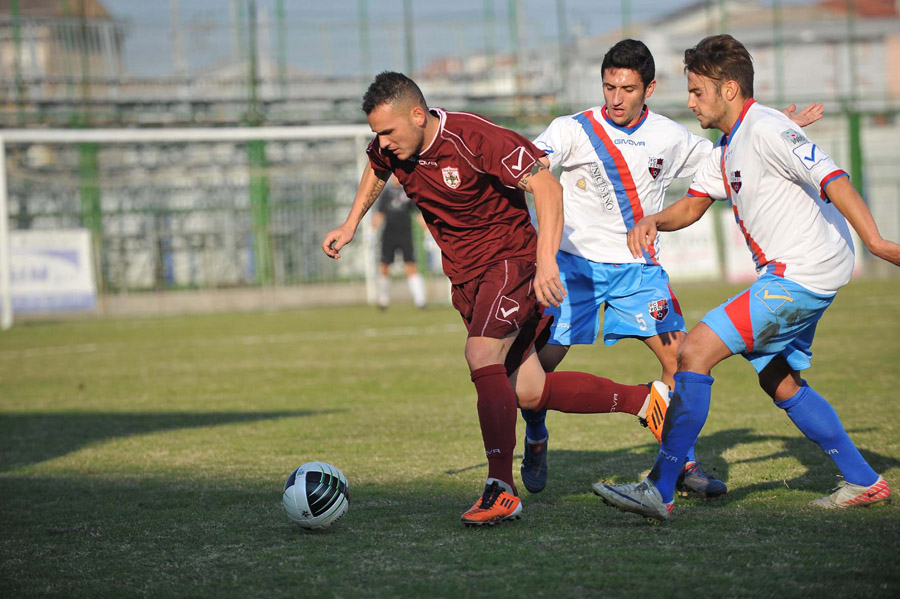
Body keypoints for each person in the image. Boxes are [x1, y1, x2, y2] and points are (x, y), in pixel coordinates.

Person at [322, 71, 666, 527]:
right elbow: (376, 169)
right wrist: (350, 224)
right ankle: (646, 402)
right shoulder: (390, 149)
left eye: (388, 132)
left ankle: (501, 489)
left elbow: (548, 186)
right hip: (467, 279)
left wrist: (545, 264)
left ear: (418, 115)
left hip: (510, 262)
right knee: (529, 389)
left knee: (480, 352)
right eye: (376, 134)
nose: (382, 143)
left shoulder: (474, 138)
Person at [593, 34, 899, 522]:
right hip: (804, 274)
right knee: (778, 379)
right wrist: (653, 220)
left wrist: (878, 242)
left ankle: (660, 489)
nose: (690, 101)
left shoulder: (767, 129)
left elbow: (833, 178)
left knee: (693, 352)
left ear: (729, 89)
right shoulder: (731, 142)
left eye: (697, 92)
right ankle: (864, 480)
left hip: (797, 275)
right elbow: (694, 203)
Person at [520, 38, 823, 499]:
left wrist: (778, 130)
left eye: (627, 88)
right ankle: (536, 429)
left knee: (680, 362)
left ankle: (681, 462)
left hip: (639, 273)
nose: (615, 98)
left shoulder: (671, 136)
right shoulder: (571, 129)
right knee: (537, 370)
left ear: (650, 88)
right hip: (574, 270)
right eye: (608, 87)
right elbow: (530, 166)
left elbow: (731, 154)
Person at [371, 176, 427, 310]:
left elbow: (418, 214)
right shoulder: (386, 193)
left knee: (410, 264)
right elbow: (380, 214)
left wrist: (427, 232)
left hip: (405, 234)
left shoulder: (408, 192)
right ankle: (383, 299)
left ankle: (420, 300)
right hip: (389, 234)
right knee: (384, 265)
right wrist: (371, 232)